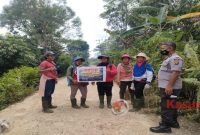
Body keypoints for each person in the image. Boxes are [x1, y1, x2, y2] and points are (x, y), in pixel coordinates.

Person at [150, 42, 183, 133]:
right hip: (168, 86)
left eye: (163, 48)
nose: (162, 50)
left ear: (170, 48)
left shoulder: (175, 58)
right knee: (171, 105)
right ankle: (173, 122)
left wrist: (169, 85)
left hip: (169, 87)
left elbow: (175, 72)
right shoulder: (169, 58)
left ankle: (165, 126)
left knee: (166, 106)